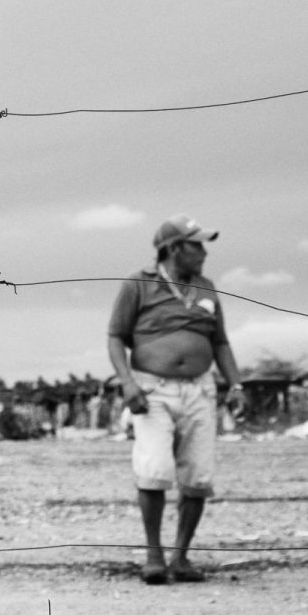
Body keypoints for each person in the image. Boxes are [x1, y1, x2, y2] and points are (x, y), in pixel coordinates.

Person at [106, 215, 245, 585]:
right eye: (196, 245)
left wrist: (236, 385)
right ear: (172, 248)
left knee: (198, 475)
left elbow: (220, 342)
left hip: (200, 389)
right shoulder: (138, 283)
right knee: (154, 469)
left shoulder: (207, 288)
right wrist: (127, 383)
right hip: (153, 390)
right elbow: (116, 336)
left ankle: (180, 557)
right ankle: (154, 556)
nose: (204, 252)